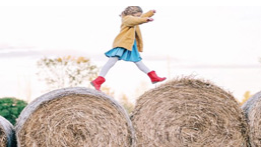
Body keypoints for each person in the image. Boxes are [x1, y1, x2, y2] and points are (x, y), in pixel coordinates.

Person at [91, 6, 166, 91]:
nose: (139, 17)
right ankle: (98, 80)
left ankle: (153, 77)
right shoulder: (127, 19)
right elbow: (136, 20)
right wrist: (146, 20)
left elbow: (140, 17)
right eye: (137, 15)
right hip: (123, 43)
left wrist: (150, 13)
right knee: (111, 61)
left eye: (139, 16)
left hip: (131, 44)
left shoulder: (133, 17)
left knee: (138, 62)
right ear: (132, 14)